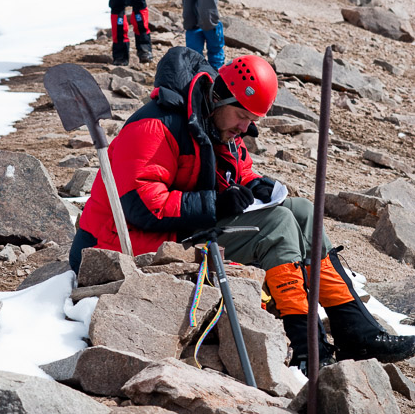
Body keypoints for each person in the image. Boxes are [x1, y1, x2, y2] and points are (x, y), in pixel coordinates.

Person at [69, 46, 415, 372]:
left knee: (302, 212)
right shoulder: (155, 127)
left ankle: (354, 329)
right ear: (220, 97)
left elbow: (231, 167)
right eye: (242, 117)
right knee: (277, 224)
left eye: (251, 121)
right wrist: (216, 203)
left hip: (173, 227)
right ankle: (306, 345)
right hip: (119, 242)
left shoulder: (209, 117)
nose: (245, 128)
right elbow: (141, 206)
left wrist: (251, 183)